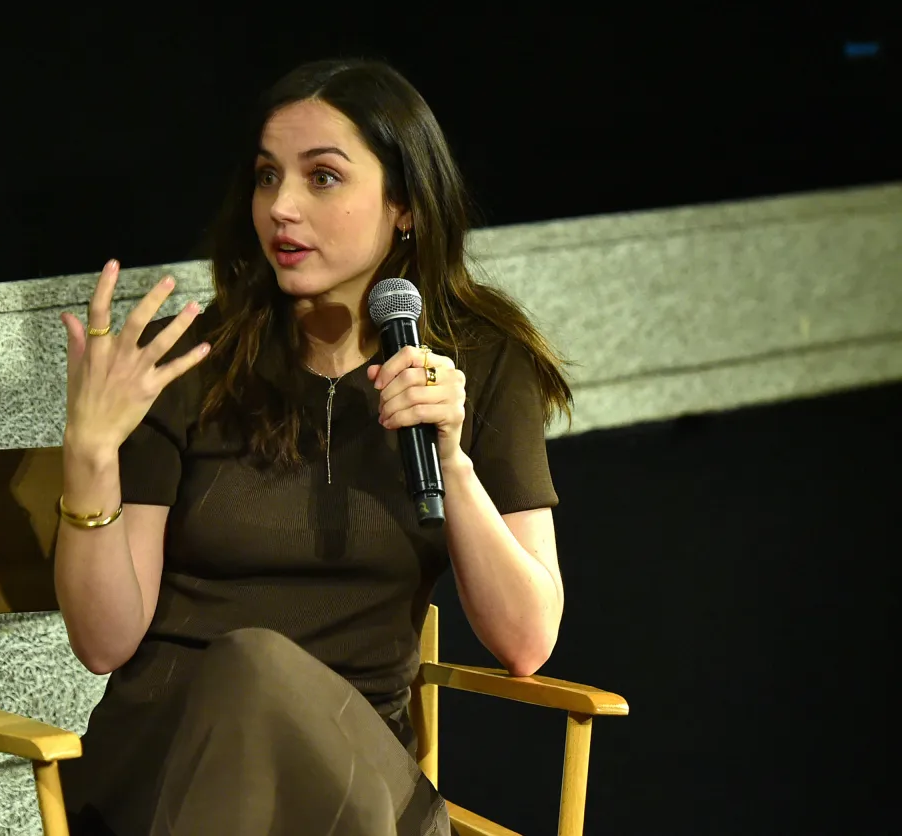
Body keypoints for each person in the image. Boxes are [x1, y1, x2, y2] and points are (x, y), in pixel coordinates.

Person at [53, 57, 572, 836]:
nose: (281, 208)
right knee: (250, 666)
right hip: (167, 768)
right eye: (267, 177)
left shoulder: (482, 363)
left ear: (405, 205)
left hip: (353, 773)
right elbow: (104, 643)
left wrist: (452, 461)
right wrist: (90, 454)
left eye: (322, 178)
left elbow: (525, 641)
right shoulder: (192, 362)